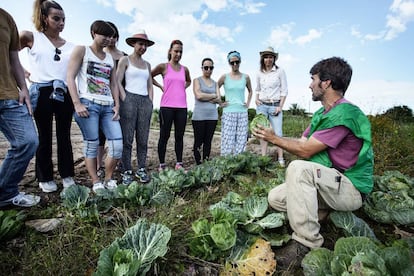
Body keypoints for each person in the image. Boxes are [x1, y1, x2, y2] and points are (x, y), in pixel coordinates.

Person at [252, 57, 374, 269]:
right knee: (276, 197)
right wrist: (270, 135)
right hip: (330, 183)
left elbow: (306, 151)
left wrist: (274, 139)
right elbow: (302, 142)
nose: (310, 84)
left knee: (299, 169)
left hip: (350, 188)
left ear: (326, 83)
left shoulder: (345, 114)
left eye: (313, 79)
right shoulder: (322, 114)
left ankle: (307, 243)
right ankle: (324, 213)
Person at [19, 0, 76, 193]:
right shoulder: (30, 37)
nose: (61, 23)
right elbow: (8, 54)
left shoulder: (71, 46)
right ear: (45, 18)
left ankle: (67, 174)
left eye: (63, 19)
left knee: (64, 136)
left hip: (64, 92)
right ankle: (45, 177)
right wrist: (23, 73)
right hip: (41, 91)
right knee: (44, 136)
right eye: (56, 18)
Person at [66, 20, 122, 192]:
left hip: (107, 106)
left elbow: (113, 84)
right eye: (104, 35)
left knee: (117, 144)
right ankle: (96, 180)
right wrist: (77, 103)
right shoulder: (82, 50)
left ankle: (108, 178)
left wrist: (117, 105)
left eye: (111, 36)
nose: (108, 39)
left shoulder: (111, 59)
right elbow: (70, 77)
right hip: (88, 105)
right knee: (92, 143)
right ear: (93, 33)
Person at [0, 8, 40, 207]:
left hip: (9, 94)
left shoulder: (6, 18)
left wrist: (23, 88)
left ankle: (5, 193)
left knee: (28, 142)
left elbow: (14, 57)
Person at [117, 31, 154, 184]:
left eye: (145, 44)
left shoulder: (147, 65)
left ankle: (141, 168)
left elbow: (150, 85)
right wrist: (124, 98)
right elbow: (117, 81)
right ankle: (126, 170)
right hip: (129, 99)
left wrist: (151, 101)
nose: (143, 47)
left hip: (145, 101)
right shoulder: (125, 60)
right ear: (133, 44)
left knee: (143, 138)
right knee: (127, 138)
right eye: (140, 44)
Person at [151, 39, 191, 171]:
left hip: (182, 107)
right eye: (176, 51)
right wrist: (161, 86)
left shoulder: (185, 69)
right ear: (170, 51)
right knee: (164, 135)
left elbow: (188, 81)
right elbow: (149, 76)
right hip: (166, 106)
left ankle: (179, 163)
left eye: (181, 51)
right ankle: (162, 164)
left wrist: (181, 88)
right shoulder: (163, 67)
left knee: (179, 136)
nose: (178, 54)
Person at [96, 21, 126, 178]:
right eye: (109, 35)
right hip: (101, 96)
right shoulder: (100, 54)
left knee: (119, 133)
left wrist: (121, 99)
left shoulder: (124, 57)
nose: (112, 39)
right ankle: (99, 165)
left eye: (115, 36)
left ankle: (117, 163)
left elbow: (123, 80)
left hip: (120, 99)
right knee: (100, 136)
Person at [255, 46, 288, 167]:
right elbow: (257, 89)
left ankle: (281, 159)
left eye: (270, 57)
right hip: (262, 106)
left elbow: (284, 91)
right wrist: (256, 99)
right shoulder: (259, 73)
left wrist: (280, 106)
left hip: (275, 106)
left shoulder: (280, 71)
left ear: (274, 58)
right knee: (262, 132)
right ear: (262, 59)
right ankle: (263, 159)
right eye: (266, 57)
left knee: (278, 133)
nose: (268, 59)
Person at [217, 50, 253, 156]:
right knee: (228, 139)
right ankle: (226, 162)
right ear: (229, 63)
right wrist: (220, 101)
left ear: (240, 61)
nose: (235, 64)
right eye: (232, 62)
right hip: (228, 111)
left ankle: (238, 162)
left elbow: (250, 91)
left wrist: (248, 104)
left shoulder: (245, 77)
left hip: (242, 112)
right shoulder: (225, 77)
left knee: (241, 139)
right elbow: (216, 87)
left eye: (237, 62)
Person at [191, 58, 221, 165]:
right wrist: (213, 96)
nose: (208, 70)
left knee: (208, 142)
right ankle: (198, 164)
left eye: (211, 68)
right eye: (206, 67)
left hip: (212, 117)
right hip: (199, 117)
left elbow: (219, 99)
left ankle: (206, 163)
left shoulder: (215, 83)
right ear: (202, 68)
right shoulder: (196, 80)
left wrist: (206, 96)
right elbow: (198, 95)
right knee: (198, 142)